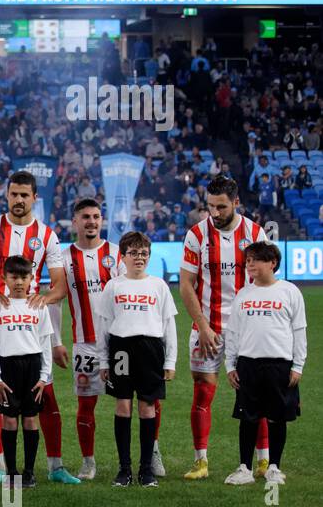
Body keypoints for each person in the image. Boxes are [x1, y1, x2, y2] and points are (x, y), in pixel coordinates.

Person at [0, 171, 67, 485]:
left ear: (35, 197)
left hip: (30, 324)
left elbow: (60, 285)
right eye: (14, 195)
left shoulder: (47, 235)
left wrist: (43, 296)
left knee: (41, 392)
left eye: (25, 195)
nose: (19, 200)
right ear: (6, 196)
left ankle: (54, 466)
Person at [178, 175, 270, 480]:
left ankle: (263, 461)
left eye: (221, 207)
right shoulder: (196, 235)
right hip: (207, 328)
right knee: (202, 392)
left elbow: (266, 283)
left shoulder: (256, 234)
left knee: (255, 395)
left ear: (236, 203)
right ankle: (201, 462)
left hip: (247, 330)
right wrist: (203, 326)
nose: (214, 213)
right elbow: (187, 286)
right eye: (210, 207)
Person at [94, 233, 177, 488]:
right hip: (121, 348)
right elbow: (104, 325)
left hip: (151, 349)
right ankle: (124, 469)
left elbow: (168, 325)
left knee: (147, 407)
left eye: (143, 254)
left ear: (148, 257)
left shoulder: (158, 286)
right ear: (123, 256)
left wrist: (170, 361)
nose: (139, 258)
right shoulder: (114, 285)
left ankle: (146, 470)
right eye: (133, 253)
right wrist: (104, 361)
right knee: (123, 406)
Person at [224, 242, 306, 487]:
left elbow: (299, 330)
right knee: (247, 417)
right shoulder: (243, 294)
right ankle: (244, 468)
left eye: (255, 260)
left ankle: (274, 467)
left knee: (276, 418)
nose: (249, 264)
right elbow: (233, 331)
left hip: (280, 365)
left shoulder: (289, 292)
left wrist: (298, 365)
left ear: (272, 263)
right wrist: (230, 364)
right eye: (248, 260)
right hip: (248, 364)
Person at [57, 199, 124, 482]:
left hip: (119, 343)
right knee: (86, 405)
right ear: (75, 221)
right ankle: (88, 462)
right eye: (85, 217)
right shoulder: (63, 259)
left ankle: (146, 455)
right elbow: (54, 302)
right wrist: (56, 340)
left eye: (96, 216)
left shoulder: (115, 254)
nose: (92, 221)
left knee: (133, 400)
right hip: (84, 343)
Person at [0, 256, 54, 489]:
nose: (19, 282)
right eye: (14, 277)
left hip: (32, 367)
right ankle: (11, 473)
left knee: (31, 419)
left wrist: (44, 376)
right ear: (4, 279)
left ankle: (29, 472)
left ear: (32, 279)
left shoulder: (39, 306)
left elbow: (45, 343)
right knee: (9, 420)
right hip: (7, 368)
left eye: (24, 277)